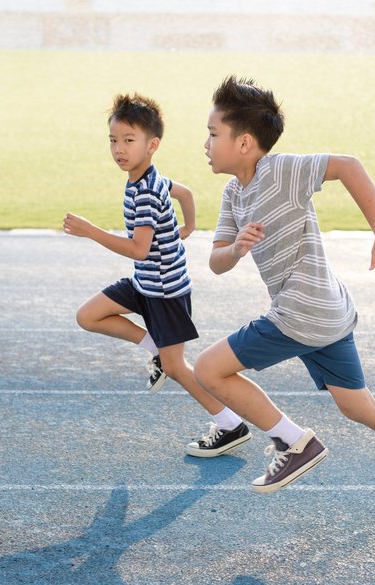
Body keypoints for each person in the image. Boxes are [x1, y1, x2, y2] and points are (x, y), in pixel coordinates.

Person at [192, 76, 375, 519]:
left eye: (213, 135)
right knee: (358, 405)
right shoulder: (233, 194)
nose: (205, 145)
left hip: (302, 313)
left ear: (245, 142)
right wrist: (237, 247)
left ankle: (292, 441)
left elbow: (348, 165)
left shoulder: (281, 171)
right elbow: (216, 262)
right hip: (327, 312)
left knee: (209, 369)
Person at [63, 93, 252, 456]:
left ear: (152, 145)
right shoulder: (149, 178)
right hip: (146, 282)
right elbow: (186, 193)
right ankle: (154, 350)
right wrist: (190, 225)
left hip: (164, 292)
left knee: (177, 367)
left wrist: (91, 231)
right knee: (89, 315)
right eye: (113, 140)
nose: (119, 149)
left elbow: (139, 249)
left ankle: (231, 424)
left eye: (128, 141)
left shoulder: (146, 192)